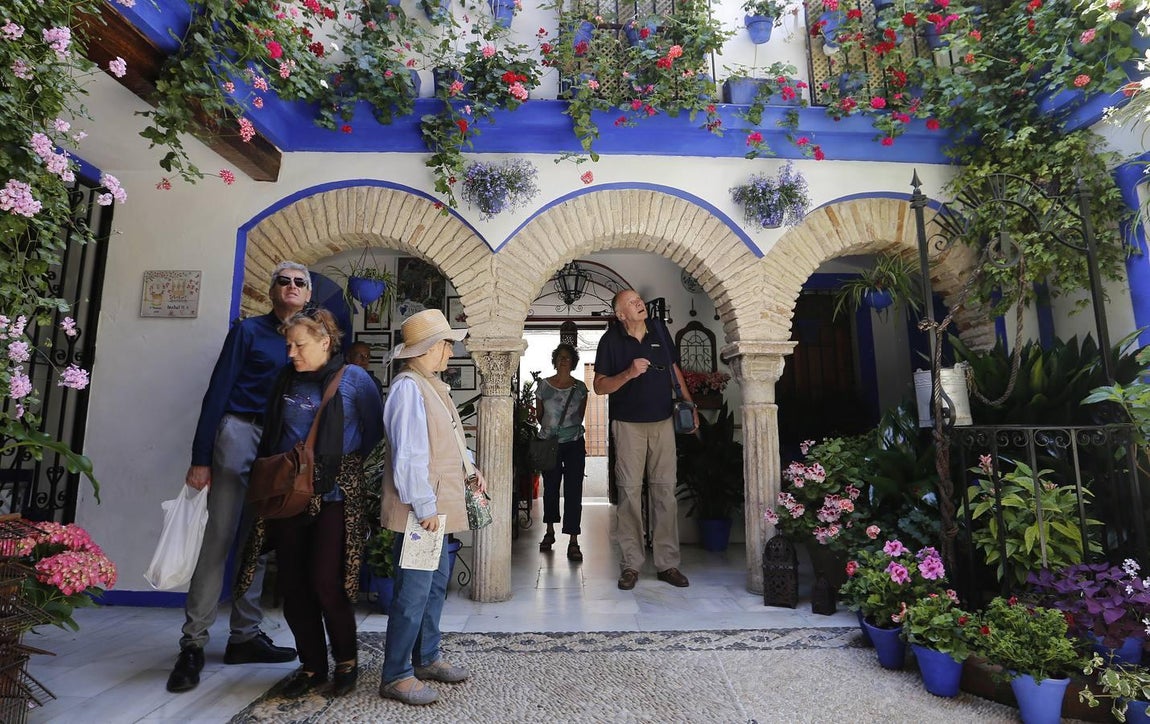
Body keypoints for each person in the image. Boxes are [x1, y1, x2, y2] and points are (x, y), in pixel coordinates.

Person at [166, 262, 310, 694]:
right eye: (283, 281)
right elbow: (219, 390)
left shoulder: (307, 339)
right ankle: (193, 644)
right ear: (272, 291)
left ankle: (244, 637)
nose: (290, 287)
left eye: (299, 282)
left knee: (258, 544)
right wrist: (201, 456)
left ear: (308, 294)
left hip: (279, 447)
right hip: (240, 433)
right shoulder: (248, 332)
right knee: (220, 539)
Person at [235, 308, 384, 698]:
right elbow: (274, 432)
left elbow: (372, 432)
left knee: (325, 581)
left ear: (324, 341)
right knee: (293, 584)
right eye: (288, 345)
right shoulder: (285, 379)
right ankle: (312, 665)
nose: (291, 353)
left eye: (299, 345)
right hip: (289, 496)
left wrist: (332, 464)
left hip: (334, 494)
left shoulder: (355, 380)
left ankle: (346, 661)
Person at [378, 309, 487, 706]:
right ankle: (396, 674)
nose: (450, 349)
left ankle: (425, 658)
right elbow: (408, 456)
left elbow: (446, 442)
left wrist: (470, 469)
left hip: (435, 509)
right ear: (427, 348)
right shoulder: (409, 388)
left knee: (435, 584)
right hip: (421, 511)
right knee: (413, 591)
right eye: (446, 343)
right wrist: (423, 505)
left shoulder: (431, 385)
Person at [593, 289, 698, 591]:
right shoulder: (610, 341)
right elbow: (600, 387)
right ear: (620, 314)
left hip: (663, 421)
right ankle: (631, 565)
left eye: (639, 299)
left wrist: (690, 408)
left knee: (665, 492)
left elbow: (675, 370)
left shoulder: (660, 331)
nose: (639, 303)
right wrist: (627, 373)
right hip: (627, 426)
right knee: (628, 494)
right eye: (631, 302)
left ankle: (668, 563)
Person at [535, 343, 589, 562]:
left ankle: (573, 540)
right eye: (560, 357)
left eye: (567, 358)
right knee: (550, 488)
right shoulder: (544, 386)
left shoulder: (580, 388)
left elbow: (580, 416)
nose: (563, 360)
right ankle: (549, 532)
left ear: (573, 362)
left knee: (574, 490)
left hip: (574, 443)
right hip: (549, 443)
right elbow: (539, 415)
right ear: (555, 360)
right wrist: (552, 431)